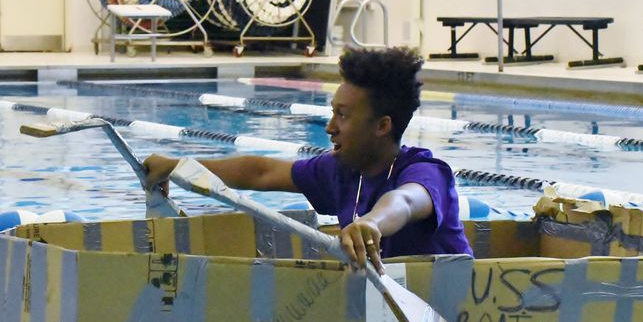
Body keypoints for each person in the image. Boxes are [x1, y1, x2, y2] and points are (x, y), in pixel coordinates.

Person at [144, 47, 472, 274]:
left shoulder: (425, 172)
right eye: (332, 113)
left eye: (342, 116)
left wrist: (372, 223)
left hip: (449, 313)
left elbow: (404, 201)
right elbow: (261, 172)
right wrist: (177, 166)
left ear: (382, 126)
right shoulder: (343, 170)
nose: (330, 127)